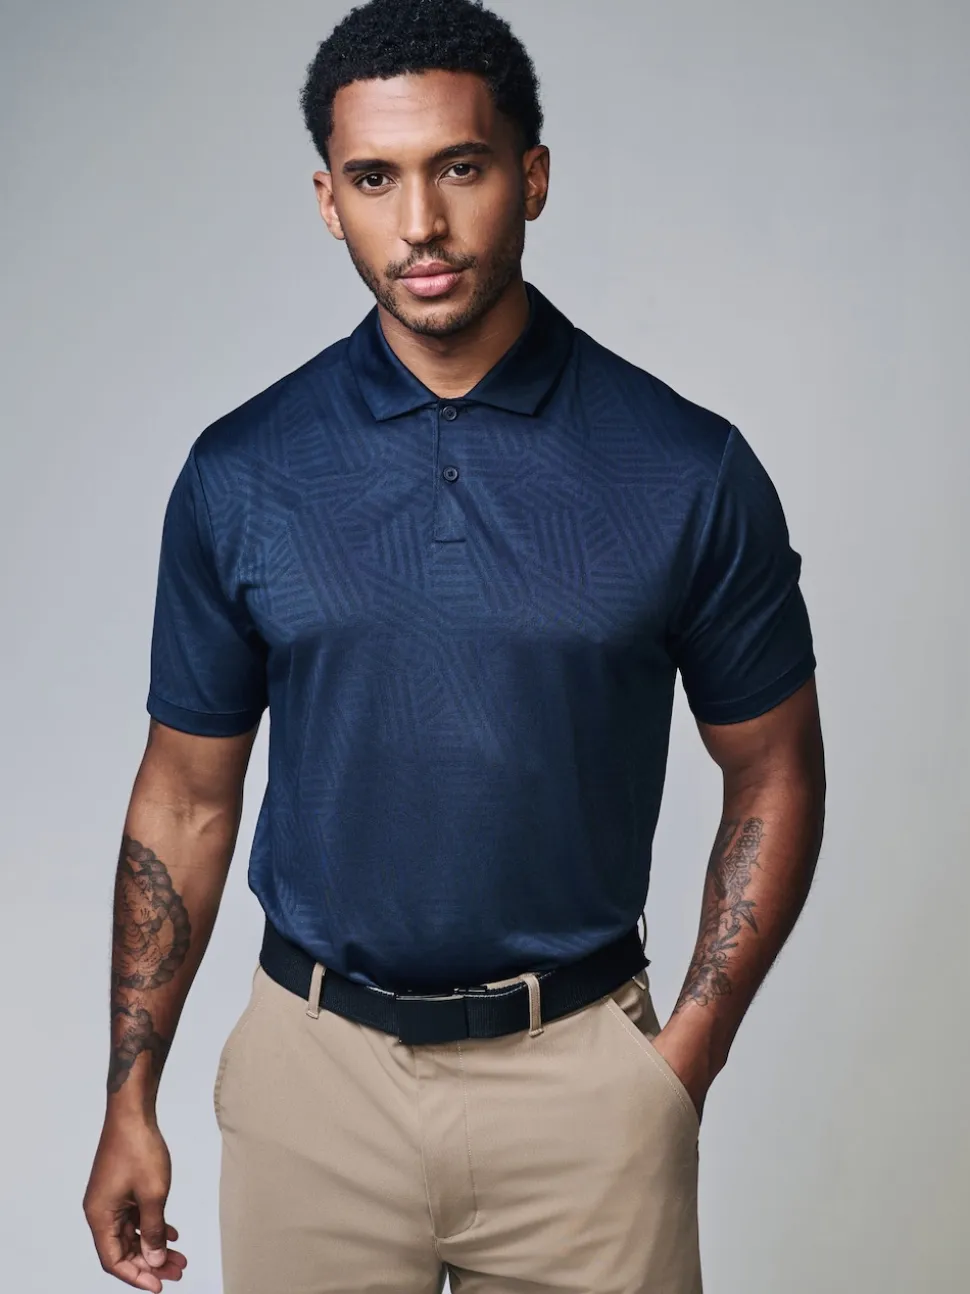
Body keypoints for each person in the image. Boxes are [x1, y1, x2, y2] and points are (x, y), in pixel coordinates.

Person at [82, 1, 826, 1290]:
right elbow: (186, 797)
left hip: (582, 1085)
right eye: (375, 178)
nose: (419, 222)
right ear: (329, 200)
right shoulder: (243, 472)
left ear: (531, 177)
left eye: (460, 168)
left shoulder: (684, 468)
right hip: (313, 1087)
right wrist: (127, 1097)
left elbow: (776, 769)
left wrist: (683, 1059)